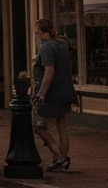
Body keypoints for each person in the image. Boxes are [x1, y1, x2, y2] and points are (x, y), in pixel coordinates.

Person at [33, 18, 76, 171]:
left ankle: (59, 156)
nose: (35, 30)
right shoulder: (61, 44)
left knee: (38, 125)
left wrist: (41, 93)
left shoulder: (46, 47)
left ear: (39, 29)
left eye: (36, 27)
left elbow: (49, 71)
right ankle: (60, 158)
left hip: (52, 93)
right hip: (65, 90)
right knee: (62, 125)